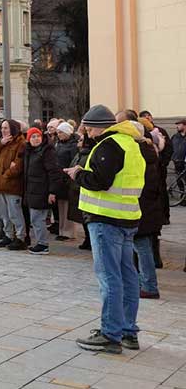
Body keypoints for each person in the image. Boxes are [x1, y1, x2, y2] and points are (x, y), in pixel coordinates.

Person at [66, 106, 146, 354]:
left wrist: (78, 173)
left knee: (110, 277)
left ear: (99, 126)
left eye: (88, 128)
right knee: (127, 275)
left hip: (106, 219)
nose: (87, 133)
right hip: (127, 217)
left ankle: (111, 334)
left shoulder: (108, 145)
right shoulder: (131, 144)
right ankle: (127, 331)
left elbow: (100, 181)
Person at [132, 121, 165, 300]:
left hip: (142, 207)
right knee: (141, 247)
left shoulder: (140, 152)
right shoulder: (148, 150)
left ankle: (149, 285)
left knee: (142, 247)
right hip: (146, 206)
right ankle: (144, 283)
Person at [22, 127, 63, 255]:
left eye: (38, 136)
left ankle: (43, 244)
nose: (36, 139)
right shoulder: (30, 151)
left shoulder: (47, 151)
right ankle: (41, 243)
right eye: (33, 137)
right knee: (36, 218)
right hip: (33, 190)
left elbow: (54, 172)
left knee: (38, 218)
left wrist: (52, 191)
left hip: (42, 190)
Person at [0, 120, 26, 250]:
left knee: (14, 213)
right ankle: (8, 235)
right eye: (2, 128)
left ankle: (21, 237)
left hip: (12, 185)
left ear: (13, 129)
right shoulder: (2, 141)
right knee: (3, 213)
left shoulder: (21, 143)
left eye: (6, 128)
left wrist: (4, 175)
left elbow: (17, 166)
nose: (3, 130)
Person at [53, 122, 79, 241]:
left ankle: (68, 232)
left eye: (60, 132)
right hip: (59, 178)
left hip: (67, 178)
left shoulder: (73, 145)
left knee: (68, 206)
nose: (58, 135)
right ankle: (62, 229)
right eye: (57, 132)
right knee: (61, 205)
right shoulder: (58, 144)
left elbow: (74, 161)